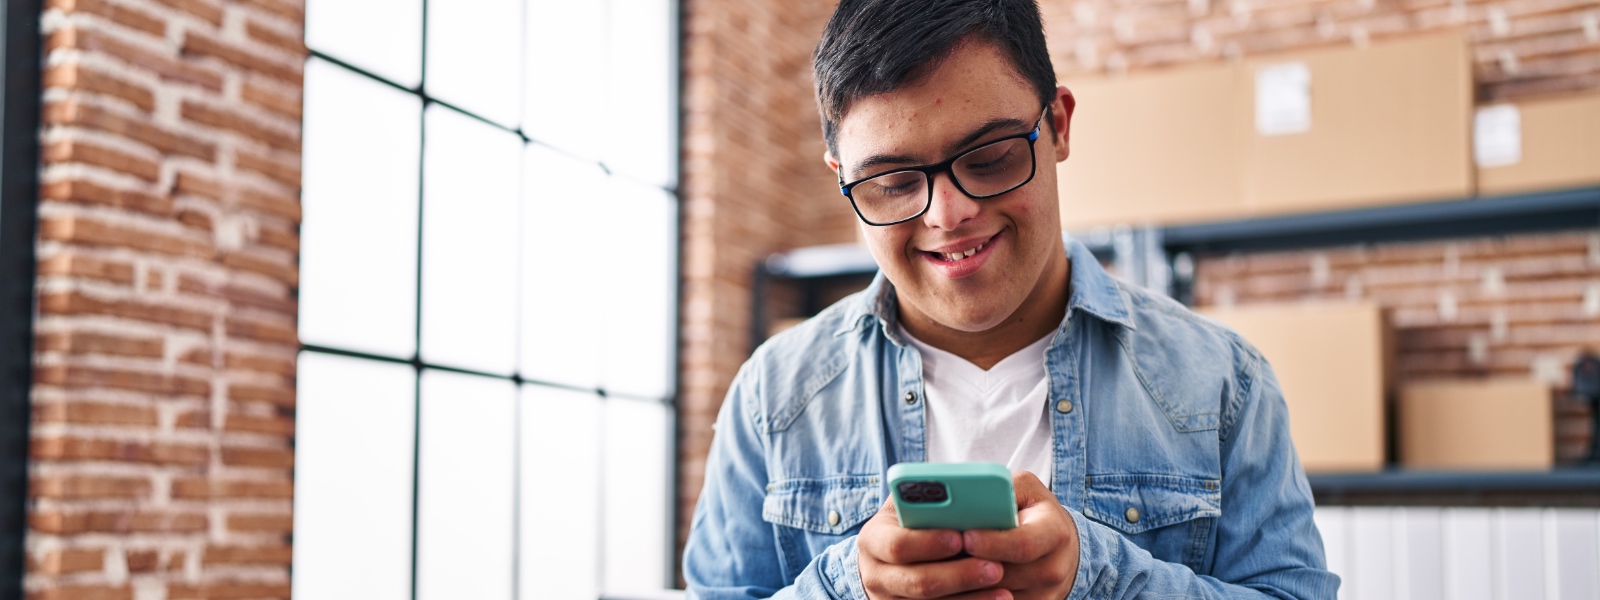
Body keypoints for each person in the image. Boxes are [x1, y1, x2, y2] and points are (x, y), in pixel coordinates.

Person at [682, 0, 1340, 597]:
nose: (948, 214)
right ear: (843, 180)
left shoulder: (1223, 383)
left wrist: (1099, 576)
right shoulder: (773, 396)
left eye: (990, 156)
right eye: (893, 181)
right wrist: (849, 587)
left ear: (1058, 125)